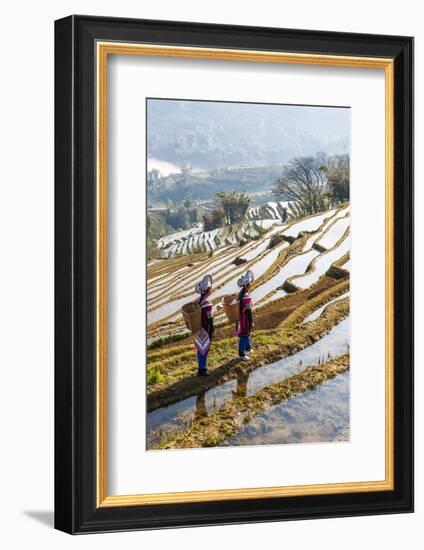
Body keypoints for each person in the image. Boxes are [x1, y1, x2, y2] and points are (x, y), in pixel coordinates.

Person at [194, 275, 214, 376]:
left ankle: (200, 368)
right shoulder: (207, 304)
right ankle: (203, 369)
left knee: (199, 348)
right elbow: (209, 319)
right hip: (206, 328)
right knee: (205, 348)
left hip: (198, 328)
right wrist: (212, 331)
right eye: (210, 289)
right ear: (208, 290)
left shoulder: (198, 301)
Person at [236, 270, 254, 361]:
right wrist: (251, 321)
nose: (251, 284)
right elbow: (248, 311)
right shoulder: (246, 296)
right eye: (251, 283)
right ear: (247, 285)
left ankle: (247, 348)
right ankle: (241, 354)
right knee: (244, 335)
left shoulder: (241, 294)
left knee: (246, 335)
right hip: (244, 319)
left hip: (241, 318)